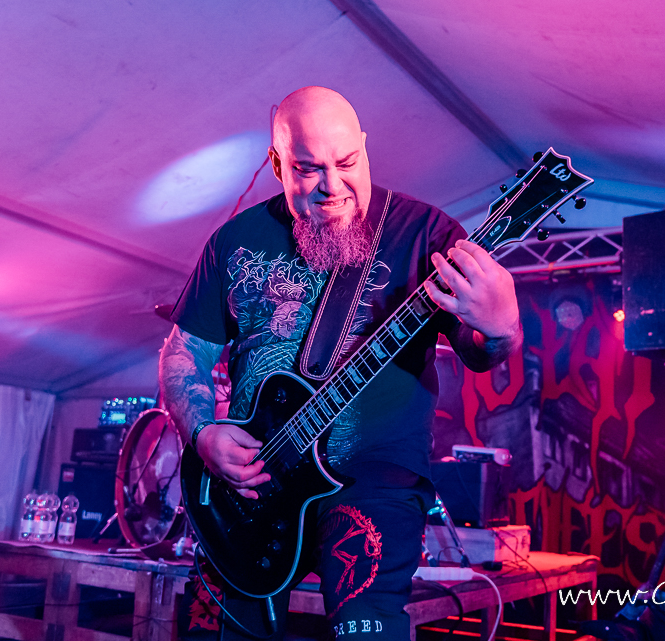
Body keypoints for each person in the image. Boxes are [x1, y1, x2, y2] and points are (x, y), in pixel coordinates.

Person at [160, 86, 522, 640]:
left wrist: (501, 327)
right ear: (277, 163)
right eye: (308, 169)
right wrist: (204, 434)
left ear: (365, 148)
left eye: (347, 162)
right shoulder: (234, 241)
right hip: (250, 490)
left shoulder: (426, 235)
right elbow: (184, 351)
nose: (332, 186)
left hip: (373, 482)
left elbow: (479, 353)